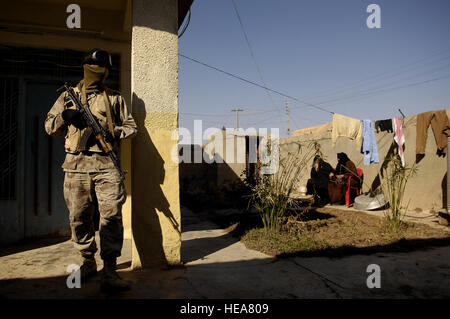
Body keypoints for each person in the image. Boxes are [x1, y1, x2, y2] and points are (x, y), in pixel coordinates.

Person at [44, 49, 137, 292]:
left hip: (106, 166)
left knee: (111, 218)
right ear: (85, 67)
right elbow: (50, 128)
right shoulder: (67, 96)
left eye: (100, 66)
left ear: (106, 72)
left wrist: (113, 132)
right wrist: (65, 116)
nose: (95, 70)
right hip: (75, 166)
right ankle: (87, 262)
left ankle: (109, 270)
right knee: (79, 217)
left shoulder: (115, 98)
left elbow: (131, 126)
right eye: (91, 65)